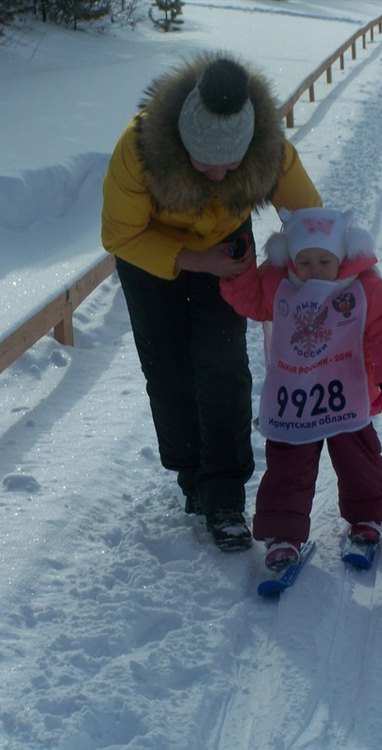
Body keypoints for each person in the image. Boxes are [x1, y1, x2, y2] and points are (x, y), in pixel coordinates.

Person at [101, 53, 322, 551]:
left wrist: (327, 274)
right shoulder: (140, 148)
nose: (220, 175)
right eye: (205, 163)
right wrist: (196, 261)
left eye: (231, 164)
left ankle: (224, 498)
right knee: (169, 369)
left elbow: (310, 218)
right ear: (182, 144)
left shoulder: (269, 151)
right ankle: (192, 479)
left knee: (222, 366)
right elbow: (119, 234)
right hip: (150, 256)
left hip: (227, 251)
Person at [220, 207, 382, 569]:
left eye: (324, 261)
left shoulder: (363, 287)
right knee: (287, 465)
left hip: (347, 393)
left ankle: (366, 519)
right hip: (295, 396)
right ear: (290, 258)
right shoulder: (280, 284)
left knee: (359, 460)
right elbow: (250, 301)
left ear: (342, 256)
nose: (313, 270)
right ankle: (282, 534)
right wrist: (239, 270)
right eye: (304, 261)